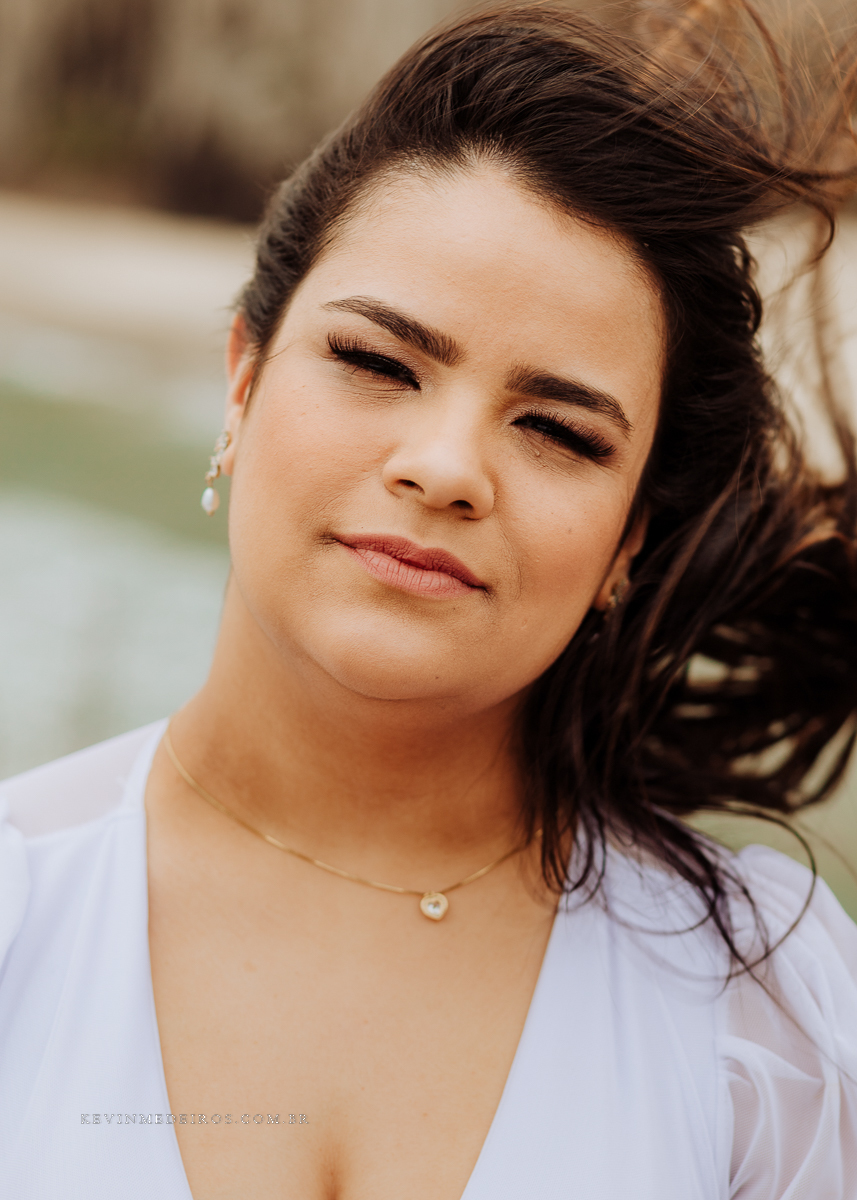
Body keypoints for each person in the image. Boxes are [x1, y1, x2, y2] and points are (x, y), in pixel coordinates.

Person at [2, 3, 856, 1197]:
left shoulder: (764, 1011)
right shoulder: (19, 908)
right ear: (242, 382)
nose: (445, 468)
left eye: (556, 431)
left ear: (630, 539)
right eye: (375, 362)